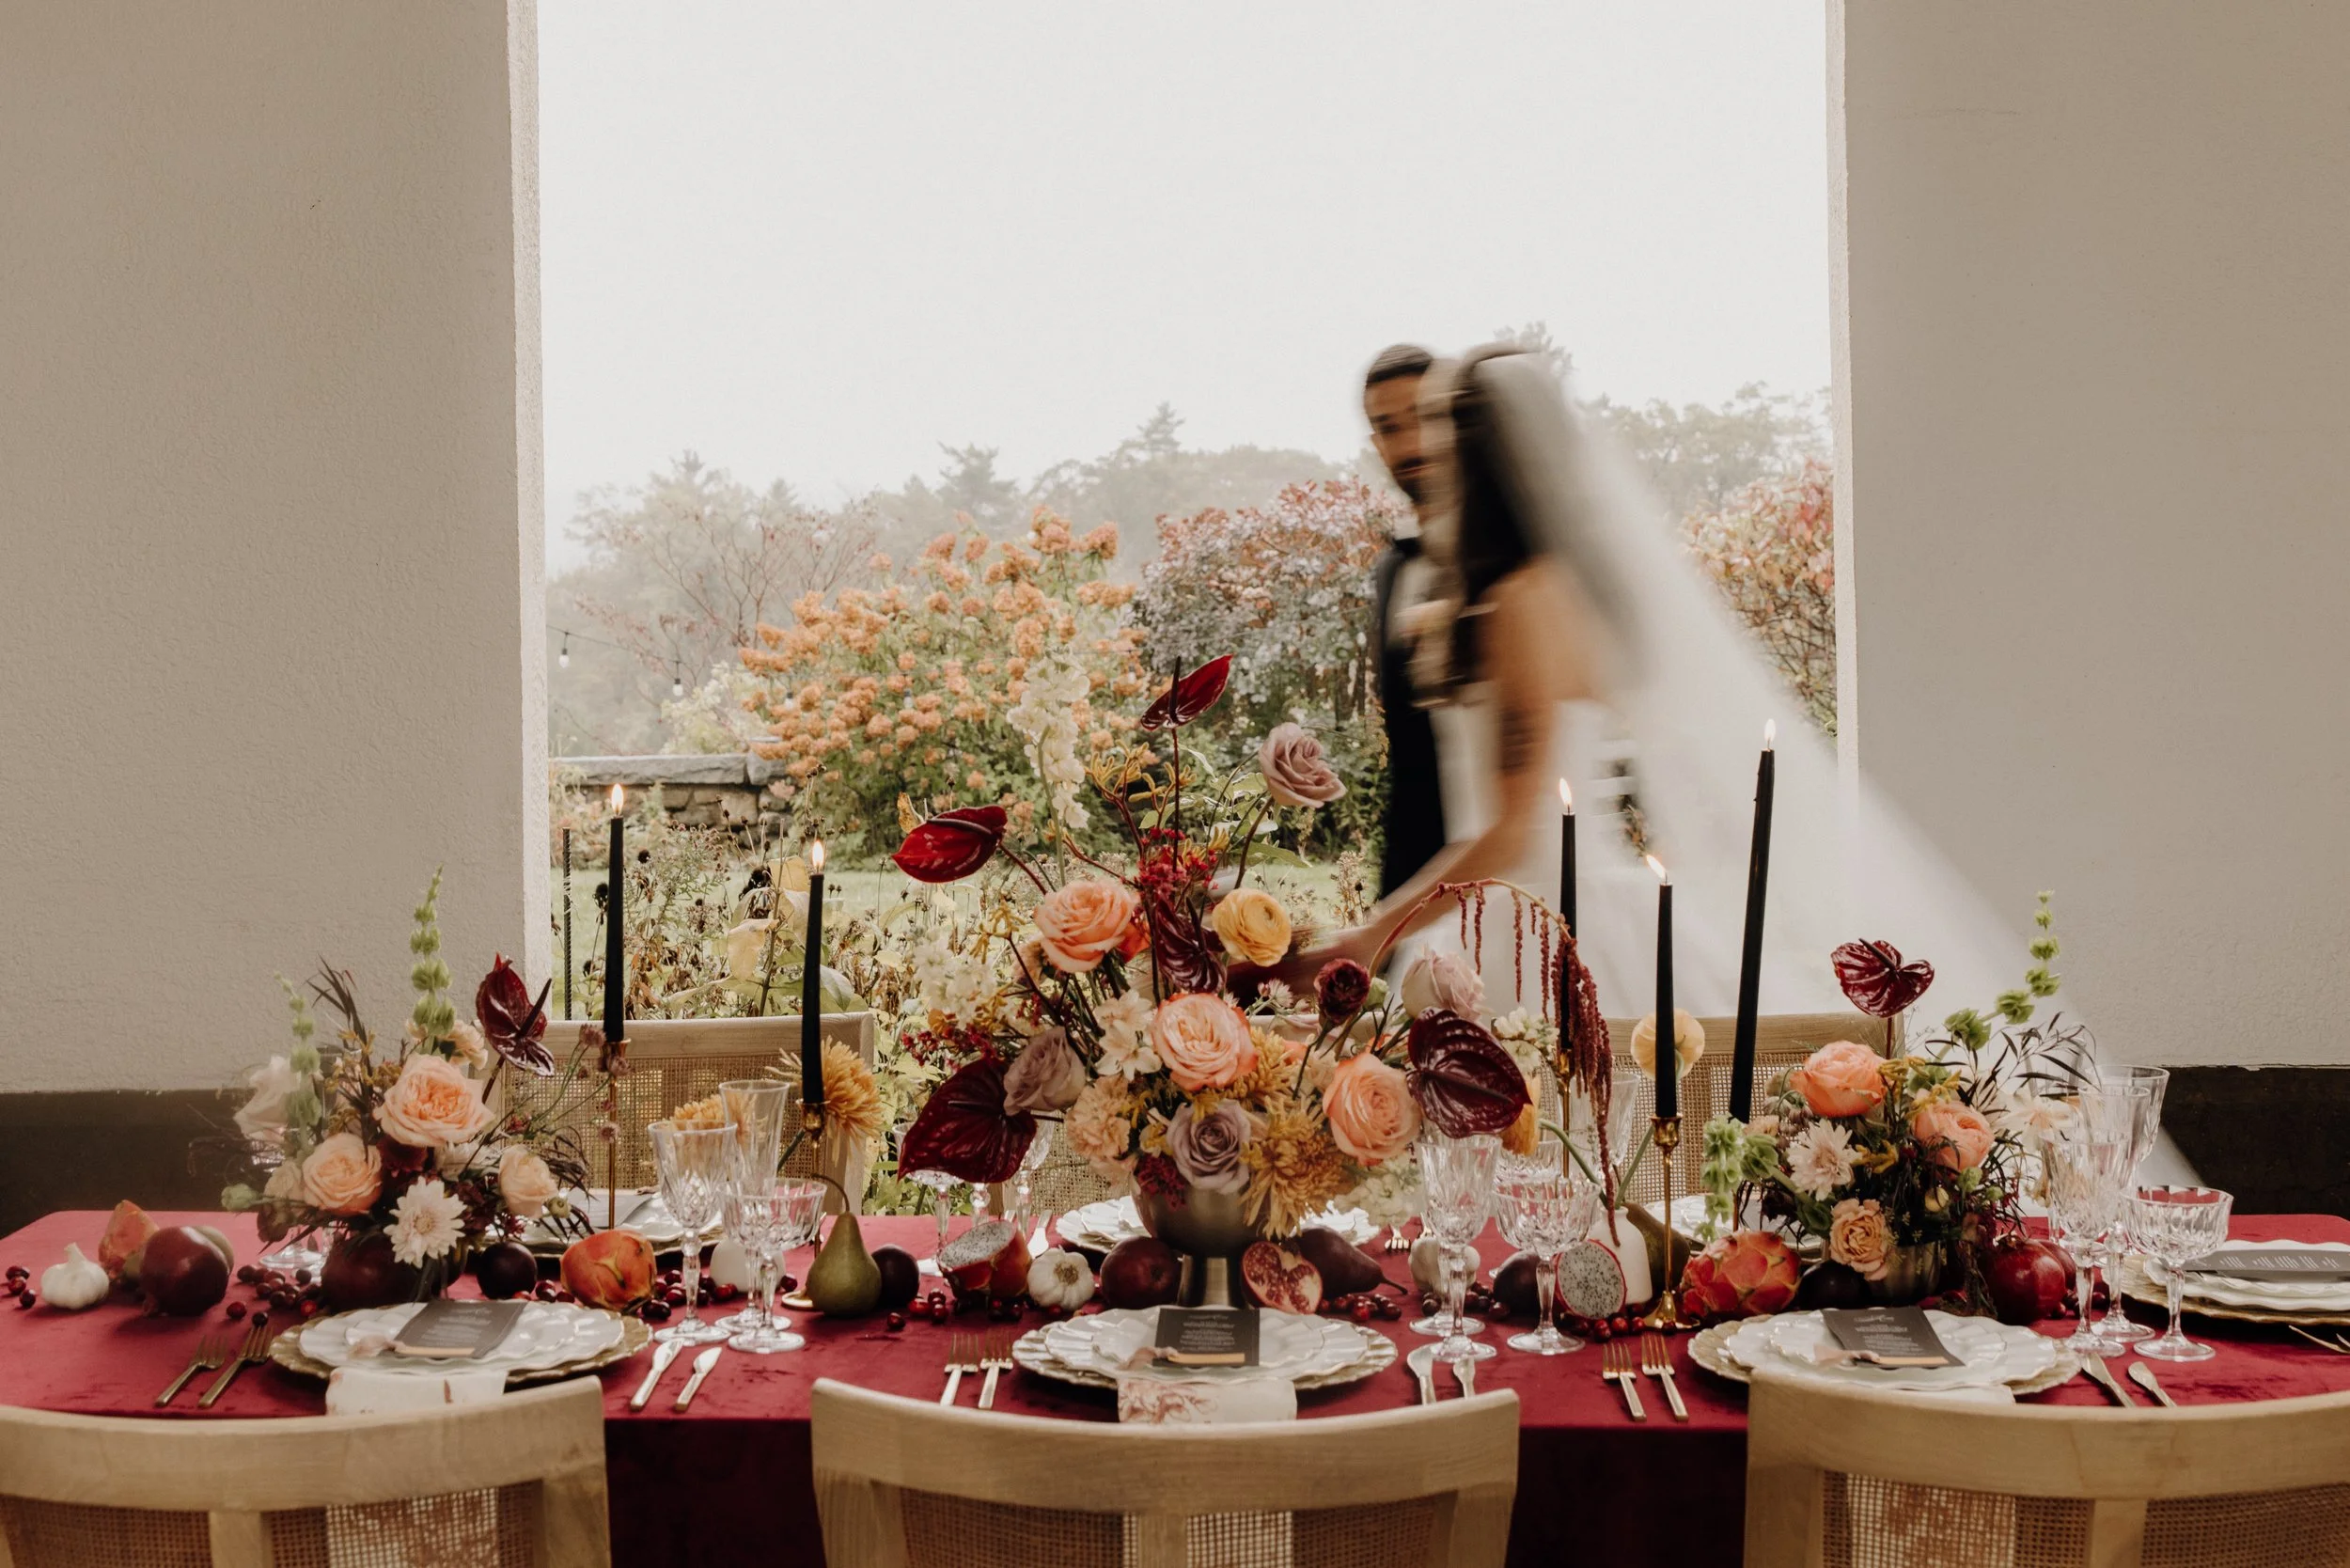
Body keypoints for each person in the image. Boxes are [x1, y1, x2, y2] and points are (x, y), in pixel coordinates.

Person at [1360, 344, 1448, 900]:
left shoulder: (1516, 569)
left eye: (1422, 418)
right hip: (1412, 885)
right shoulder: (1392, 569)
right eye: (1388, 428)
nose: (1409, 444)